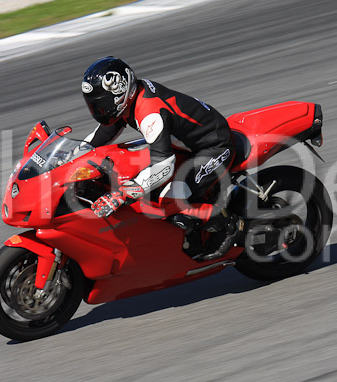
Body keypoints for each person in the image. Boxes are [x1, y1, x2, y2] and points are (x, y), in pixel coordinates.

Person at [81, 56, 243, 261]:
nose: (99, 111)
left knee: (172, 200)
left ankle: (229, 225)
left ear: (121, 93)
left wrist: (122, 193)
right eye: (95, 106)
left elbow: (164, 166)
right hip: (186, 145)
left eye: (103, 104)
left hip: (215, 146)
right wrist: (71, 154)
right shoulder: (131, 99)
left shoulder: (150, 113)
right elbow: (99, 137)